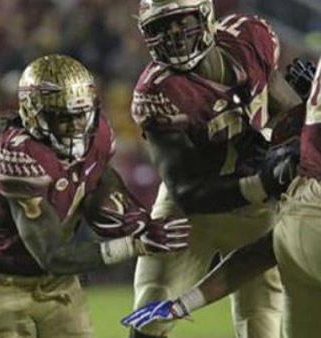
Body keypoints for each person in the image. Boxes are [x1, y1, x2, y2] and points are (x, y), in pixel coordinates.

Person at [0, 54, 191, 338]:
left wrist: (136, 220)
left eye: (81, 114)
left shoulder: (97, 133)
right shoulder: (18, 155)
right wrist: (134, 244)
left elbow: (99, 173)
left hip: (60, 284)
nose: (77, 126)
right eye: (64, 117)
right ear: (34, 114)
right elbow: (52, 255)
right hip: (5, 281)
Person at [128, 1, 307, 337]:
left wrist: (302, 117)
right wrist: (264, 180)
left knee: (262, 320)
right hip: (190, 213)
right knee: (151, 313)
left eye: (180, 22)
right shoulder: (158, 90)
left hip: (254, 208)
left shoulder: (250, 38)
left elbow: (281, 106)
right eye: (161, 27)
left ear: (205, 15)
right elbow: (188, 191)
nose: (173, 35)